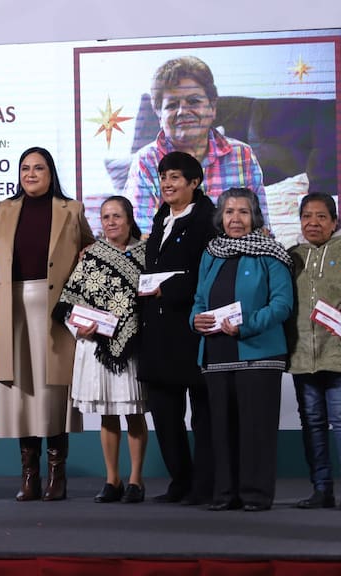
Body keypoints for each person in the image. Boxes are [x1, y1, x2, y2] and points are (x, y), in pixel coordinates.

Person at [0, 146, 95, 502]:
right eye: (25, 168)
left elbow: (91, 252)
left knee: (53, 393)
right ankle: (29, 474)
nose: (30, 174)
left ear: (51, 173)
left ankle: (56, 474)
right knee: (23, 396)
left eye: (38, 168)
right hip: (14, 311)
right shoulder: (5, 209)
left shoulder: (71, 209)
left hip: (56, 313)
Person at [192, 187, 293, 511]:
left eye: (243, 212)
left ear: (255, 217)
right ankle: (225, 494)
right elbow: (199, 300)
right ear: (221, 217)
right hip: (217, 354)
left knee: (256, 429)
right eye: (230, 211)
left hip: (259, 354)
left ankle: (255, 495)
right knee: (219, 429)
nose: (236, 218)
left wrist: (247, 323)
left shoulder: (271, 253)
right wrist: (196, 320)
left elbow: (282, 304)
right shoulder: (212, 252)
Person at [54, 196, 148, 504]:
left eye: (117, 216)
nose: (110, 222)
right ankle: (112, 480)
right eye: (106, 216)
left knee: (133, 412)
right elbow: (68, 301)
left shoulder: (148, 253)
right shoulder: (90, 255)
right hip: (96, 346)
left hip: (134, 345)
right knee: (107, 414)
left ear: (129, 219)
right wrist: (78, 326)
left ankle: (136, 479)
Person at [138, 150, 216, 505]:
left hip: (191, 331)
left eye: (175, 177)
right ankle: (180, 481)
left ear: (194, 183)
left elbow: (206, 275)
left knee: (204, 417)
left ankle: (205, 485)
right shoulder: (159, 219)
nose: (167, 184)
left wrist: (166, 289)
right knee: (165, 415)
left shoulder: (207, 221)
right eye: (164, 176)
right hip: (156, 333)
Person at [124, 55, 266, 233]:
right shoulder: (146, 162)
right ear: (159, 115)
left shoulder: (242, 155)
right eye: (172, 105)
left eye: (193, 101)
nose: (183, 111)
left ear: (212, 107)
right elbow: (142, 235)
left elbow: (262, 229)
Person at [287, 193, 341, 509]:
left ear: (334, 222)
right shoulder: (292, 256)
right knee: (313, 424)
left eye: (321, 216)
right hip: (303, 357)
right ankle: (321, 489)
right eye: (307, 216)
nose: (313, 223)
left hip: (337, 355)